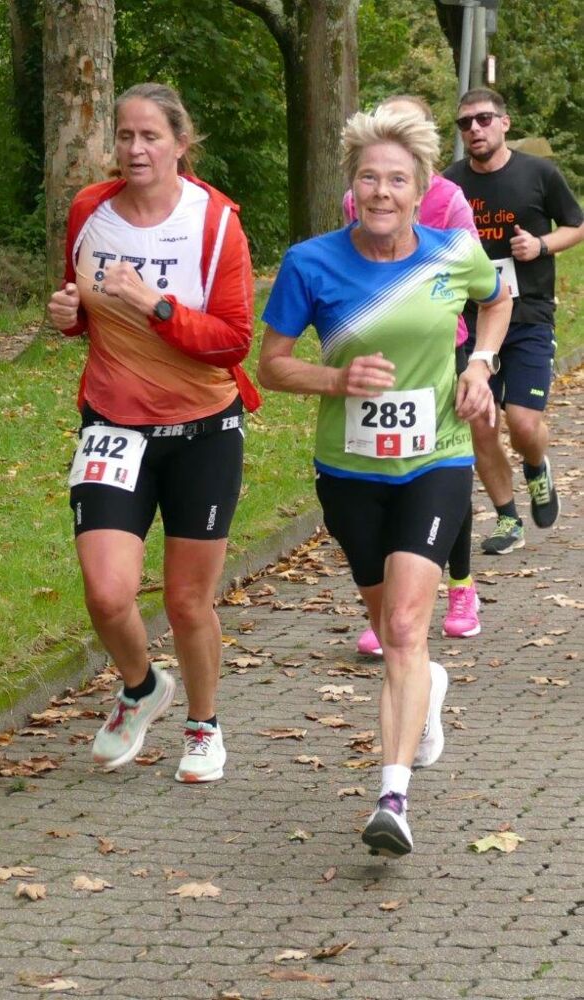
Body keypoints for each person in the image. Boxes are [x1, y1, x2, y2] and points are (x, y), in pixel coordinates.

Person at [258, 107, 511, 857]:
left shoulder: (452, 252)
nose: (381, 192)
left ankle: (392, 799)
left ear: (420, 189)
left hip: (437, 460)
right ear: (351, 187)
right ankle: (424, 689)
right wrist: (336, 379)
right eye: (369, 177)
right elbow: (272, 367)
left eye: (397, 180)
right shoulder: (310, 263)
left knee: (402, 627)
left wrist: (479, 364)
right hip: (349, 473)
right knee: (393, 625)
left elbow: (496, 298)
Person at [47, 82, 260, 782]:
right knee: (107, 594)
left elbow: (233, 341)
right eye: (125, 136)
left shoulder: (215, 221)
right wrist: (69, 315)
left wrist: (157, 304)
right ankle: (141, 689)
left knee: (186, 601)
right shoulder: (90, 211)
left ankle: (204, 725)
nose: (135, 149)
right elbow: (82, 304)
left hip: (204, 430)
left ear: (180, 143)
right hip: (114, 425)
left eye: (150, 136)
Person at [343, 95, 483, 652]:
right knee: (379, 472)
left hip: (440, 349)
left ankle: (461, 585)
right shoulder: (359, 195)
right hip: (378, 353)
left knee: (439, 469)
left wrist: (480, 363)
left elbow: (479, 279)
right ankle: (390, 609)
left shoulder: (450, 200)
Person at [444, 88, 584, 555]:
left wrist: (541, 246)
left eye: (484, 119)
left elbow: (576, 225)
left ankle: (537, 464)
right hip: (471, 321)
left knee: (523, 423)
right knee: (481, 424)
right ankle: (508, 518)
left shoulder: (538, 173)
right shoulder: (449, 184)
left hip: (528, 315)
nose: (475, 129)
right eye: (465, 123)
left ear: (504, 122)